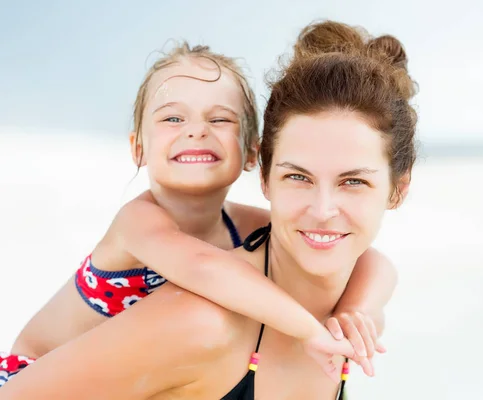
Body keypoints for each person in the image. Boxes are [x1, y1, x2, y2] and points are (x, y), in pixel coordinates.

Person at [0, 19, 417, 399]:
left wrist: (356, 310)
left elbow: (374, 261)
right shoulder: (140, 223)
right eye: (171, 120)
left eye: (219, 120)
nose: (196, 131)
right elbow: (204, 268)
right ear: (137, 147)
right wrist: (309, 330)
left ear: (251, 154)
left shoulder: (246, 226)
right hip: (27, 371)